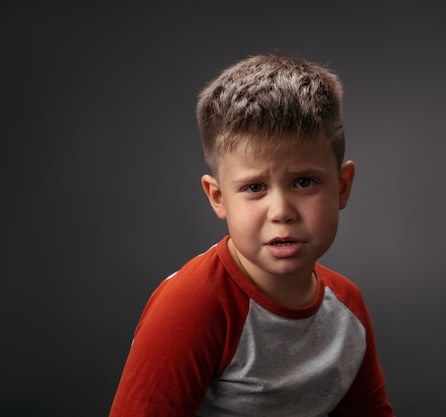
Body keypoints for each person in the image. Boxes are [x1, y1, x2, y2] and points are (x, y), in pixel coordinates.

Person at [108, 53, 395, 417]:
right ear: (218, 197)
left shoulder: (347, 308)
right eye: (255, 187)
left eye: (304, 182)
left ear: (341, 187)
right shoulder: (191, 305)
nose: (281, 211)